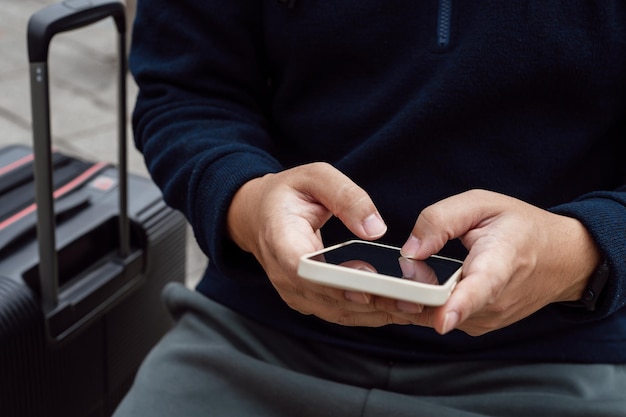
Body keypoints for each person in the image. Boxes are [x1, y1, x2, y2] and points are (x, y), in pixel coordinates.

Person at [114, 1, 626, 416]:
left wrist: (577, 252)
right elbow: (186, 89)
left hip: (561, 356)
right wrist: (247, 202)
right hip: (255, 334)